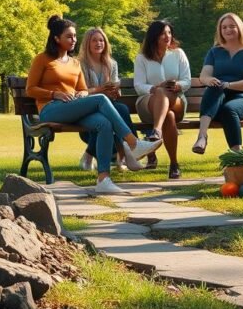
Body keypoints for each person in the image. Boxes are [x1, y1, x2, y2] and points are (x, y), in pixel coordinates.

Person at [27, 16, 163, 195]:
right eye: (69, 36)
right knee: (100, 99)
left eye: (75, 36)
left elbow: (82, 89)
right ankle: (133, 143)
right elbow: (30, 89)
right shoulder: (42, 59)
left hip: (73, 107)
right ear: (56, 38)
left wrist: (81, 94)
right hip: (50, 109)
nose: (73, 39)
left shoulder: (75, 63)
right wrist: (54, 94)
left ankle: (103, 180)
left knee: (104, 124)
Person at [77, 27, 157, 172]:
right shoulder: (79, 64)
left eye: (101, 40)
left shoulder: (111, 63)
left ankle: (126, 153)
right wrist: (100, 90)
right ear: (87, 43)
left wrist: (115, 91)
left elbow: (114, 86)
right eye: (94, 40)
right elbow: (79, 92)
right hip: (86, 110)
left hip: (107, 106)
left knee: (121, 109)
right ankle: (127, 152)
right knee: (114, 113)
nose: (98, 43)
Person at [192, 13, 243, 154]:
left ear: (239, 28)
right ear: (220, 30)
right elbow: (204, 76)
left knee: (228, 109)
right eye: (224, 27)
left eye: (232, 26)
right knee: (214, 86)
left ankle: (237, 152)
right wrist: (209, 80)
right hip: (216, 103)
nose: (227, 30)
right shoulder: (215, 51)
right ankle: (202, 136)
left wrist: (228, 85)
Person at [134, 20, 190, 179]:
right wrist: (156, 87)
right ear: (154, 36)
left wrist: (177, 86)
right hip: (149, 103)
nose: (167, 36)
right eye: (163, 33)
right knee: (166, 110)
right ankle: (174, 164)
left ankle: (156, 131)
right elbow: (139, 86)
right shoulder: (142, 58)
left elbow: (187, 81)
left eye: (169, 33)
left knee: (170, 110)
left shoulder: (178, 54)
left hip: (176, 100)